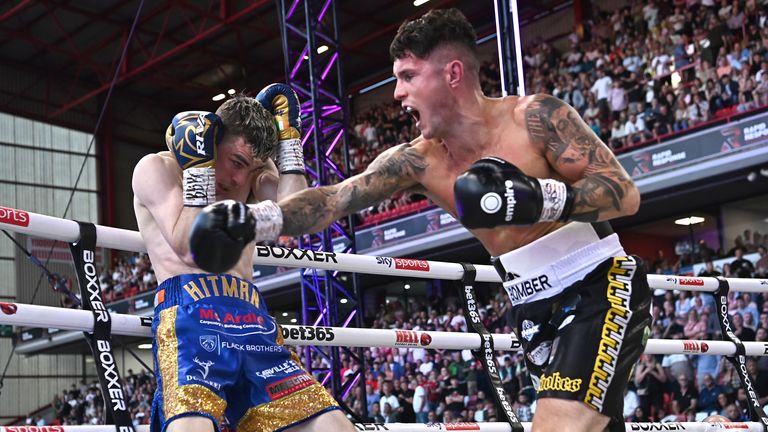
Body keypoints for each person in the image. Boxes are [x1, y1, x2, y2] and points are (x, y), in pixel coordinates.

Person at [191, 9, 651, 432]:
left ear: (451, 74)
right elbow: (335, 199)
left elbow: (624, 194)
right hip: (529, 306)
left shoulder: (534, 116)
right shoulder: (417, 161)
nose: (397, 93)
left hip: (597, 284)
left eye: (408, 76)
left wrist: (539, 198)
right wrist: (256, 219)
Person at [132, 90, 353, 432]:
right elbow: (191, 247)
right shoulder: (157, 168)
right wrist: (199, 169)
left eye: (249, 168)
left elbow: (298, 215)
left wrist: (289, 143)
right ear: (212, 137)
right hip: (190, 315)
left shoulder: (250, 178)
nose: (238, 179)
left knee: (335, 427)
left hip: (251, 318)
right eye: (235, 161)